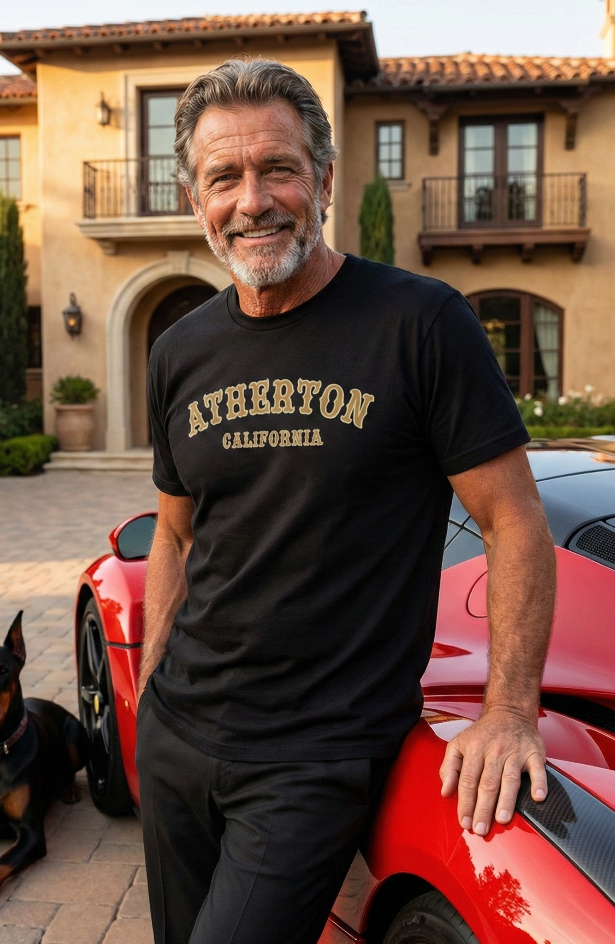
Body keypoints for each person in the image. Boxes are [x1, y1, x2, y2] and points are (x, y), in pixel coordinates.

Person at [135, 58, 555, 944]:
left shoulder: (420, 323)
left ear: (323, 179)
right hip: (179, 734)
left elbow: (513, 518)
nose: (252, 200)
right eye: (224, 177)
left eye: (277, 168)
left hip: (314, 754)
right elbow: (173, 536)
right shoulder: (179, 350)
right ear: (194, 198)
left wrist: (509, 713)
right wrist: (149, 694)